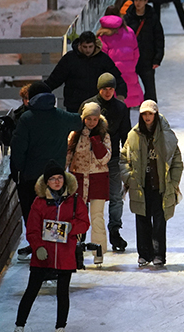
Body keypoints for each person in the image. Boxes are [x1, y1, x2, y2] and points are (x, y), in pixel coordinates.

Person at [10, 83, 84, 261]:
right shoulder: (61, 116)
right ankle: (54, 253)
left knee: (34, 216)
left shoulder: (27, 119)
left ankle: (39, 251)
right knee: (54, 214)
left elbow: (18, 149)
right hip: (55, 177)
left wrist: (16, 172)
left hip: (31, 178)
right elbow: (79, 121)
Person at [13, 163, 89, 332]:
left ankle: (60, 327)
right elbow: (32, 229)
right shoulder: (39, 203)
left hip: (65, 255)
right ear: (46, 182)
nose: (57, 182)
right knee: (31, 291)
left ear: (65, 179)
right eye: (52, 179)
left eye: (59, 178)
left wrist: (71, 227)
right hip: (43, 256)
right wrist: (38, 247)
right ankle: (19, 325)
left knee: (63, 293)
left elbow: (85, 223)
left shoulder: (75, 200)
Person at [121, 100, 184, 266]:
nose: (147, 117)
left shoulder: (166, 135)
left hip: (161, 185)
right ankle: (144, 254)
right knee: (142, 219)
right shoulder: (134, 135)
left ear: (155, 114)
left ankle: (158, 255)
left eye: (150, 113)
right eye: (144, 114)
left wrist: (173, 181)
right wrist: (129, 178)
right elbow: (123, 158)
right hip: (140, 184)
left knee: (159, 220)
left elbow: (177, 161)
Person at [81, 74, 131, 252]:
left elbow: (126, 134)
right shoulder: (89, 106)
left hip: (114, 158)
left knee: (116, 197)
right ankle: (82, 234)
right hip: (90, 161)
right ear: (98, 88)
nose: (108, 92)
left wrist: (128, 158)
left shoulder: (121, 108)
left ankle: (115, 230)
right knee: (87, 198)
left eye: (111, 88)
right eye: (105, 88)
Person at [66, 102, 112, 265]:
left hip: (98, 181)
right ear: (83, 118)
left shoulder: (104, 135)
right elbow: (68, 156)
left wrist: (96, 141)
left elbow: (105, 158)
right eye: (88, 119)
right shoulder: (75, 134)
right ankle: (74, 250)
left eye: (95, 119)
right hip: (78, 180)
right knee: (77, 216)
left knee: (97, 216)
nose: (92, 122)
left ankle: (99, 250)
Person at [44, 31, 126, 113]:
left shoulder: (103, 59)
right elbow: (55, 78)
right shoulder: (69, 59)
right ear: (80, 45)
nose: (88, 50)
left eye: (90, 47)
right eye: (85, 47)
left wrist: (121, 95)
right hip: (74, 104)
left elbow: (116, 77)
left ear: (95, 45)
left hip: (97, 104)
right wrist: (41, 91)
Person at [123, 0, 165, 102]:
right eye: (136, 0)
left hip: (147, 58)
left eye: (141, 0)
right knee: (130, 85)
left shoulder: (152, 17)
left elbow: (159, 38)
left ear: (146, 1)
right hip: (131, 58)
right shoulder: (128, 17)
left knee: (150, 87)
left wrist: (157, 58)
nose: (138, 3)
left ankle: (151, 108)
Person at [97, 12, 143, 108]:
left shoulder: (103, 36)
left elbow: (102, 58)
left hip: (112, 76)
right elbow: (136, 53)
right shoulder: (129, 31)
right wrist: (130, 66)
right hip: (129, 73)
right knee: (127, 104)